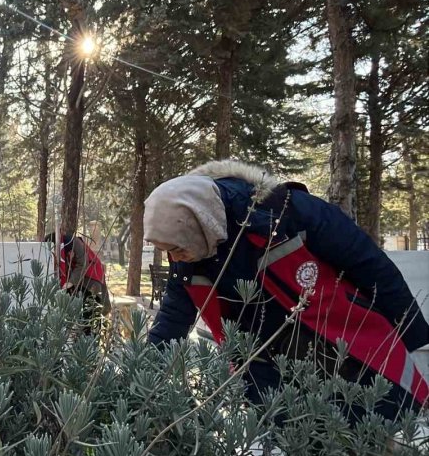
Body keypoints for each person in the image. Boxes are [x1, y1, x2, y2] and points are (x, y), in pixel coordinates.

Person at [144, 160, 429, 421]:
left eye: (176, 248)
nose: (175, 257)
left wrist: (413, 338)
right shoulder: (189, 251)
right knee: (294, 440)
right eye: (167, 250)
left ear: (201, 223)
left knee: (368, 431)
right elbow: (173, 317)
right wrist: (142, 375)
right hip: (265, 369)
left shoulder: (284, 212)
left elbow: (369, 264)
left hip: (338, 348)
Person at [45, 232, 112, 334]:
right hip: (78, 282)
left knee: (90, 314)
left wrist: (71, 282)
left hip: (91, 278)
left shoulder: (73, 242)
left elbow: (83, 263)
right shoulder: (59, 248)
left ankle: (90, 340)